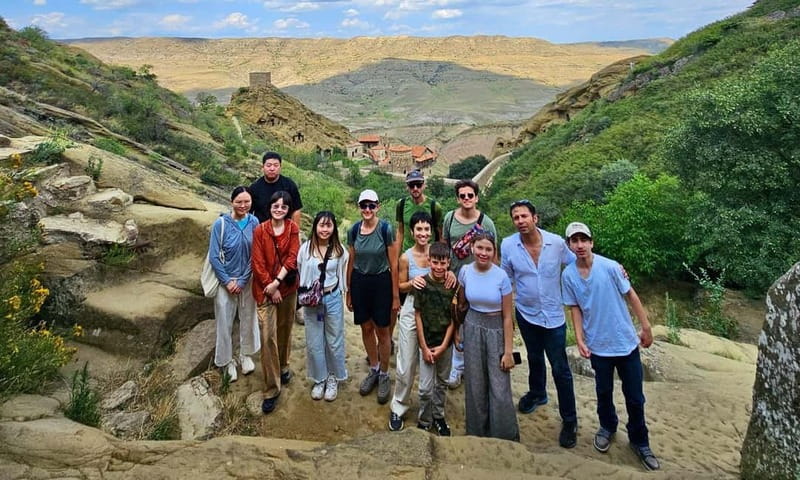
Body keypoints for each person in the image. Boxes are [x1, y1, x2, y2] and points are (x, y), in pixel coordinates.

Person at [561, 222, 660, 471]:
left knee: (635, 397)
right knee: (603, 392)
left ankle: (640, 441)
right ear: (569, 245)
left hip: (625, 343)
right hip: (598, 346)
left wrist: (646, 327)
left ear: (591, 242)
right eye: (574, 240)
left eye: (584, 239)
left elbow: (631, 294)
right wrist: (579, 338)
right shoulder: (568, 275)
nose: (580, 245)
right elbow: (575, 308)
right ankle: (607, 427)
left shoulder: (611, 267)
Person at [500, 199, 578, 448]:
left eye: (524, 216)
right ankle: (537, 393)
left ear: (535, 218)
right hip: (526, 313)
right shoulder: (508, 245)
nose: (520, 221)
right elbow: (505, 279)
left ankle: (570, 420)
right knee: (534, 358)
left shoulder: (556, 243)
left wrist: (611, 268)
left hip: (553, 317)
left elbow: (578, 262)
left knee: (560, 369)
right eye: (516, 217)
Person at [457, 232, 519, 441]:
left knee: (499, 385)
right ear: (472, 248)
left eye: (488, 249)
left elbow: (508, 317)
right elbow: (461, 304)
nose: (483, 253)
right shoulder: (465, 271)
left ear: (494, 252)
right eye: (480, 248)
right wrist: (458, 332)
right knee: (475, 383)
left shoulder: (501, 276)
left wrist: (508, 352)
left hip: (496, 329)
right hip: (472, 326)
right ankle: (477, 434)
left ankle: (504, 436)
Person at [443, 179, 498, 389]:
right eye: (462, 196)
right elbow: (445, 245)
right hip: (454, 278)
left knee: (475, 321)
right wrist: (446, 270)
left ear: (476, 198)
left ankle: (473, 365)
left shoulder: (486, 222)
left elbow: (493, 252)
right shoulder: (450, 218)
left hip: (479, 280)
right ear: (457, 198)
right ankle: (457, 366)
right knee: (456, 319)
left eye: (470, 195)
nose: (466, 199)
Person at [346, 189, 399, 405]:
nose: (367, 209)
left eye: (371, 205)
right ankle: (374, 368)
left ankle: (384, 374)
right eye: (363, 205)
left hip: (381, 282)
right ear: (359, 207)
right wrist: (349, 290)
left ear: (378, 207)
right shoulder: (353, 230)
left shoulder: (385, 229)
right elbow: (351, 260)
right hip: (360, 281)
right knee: (366, 327)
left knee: (382, 330)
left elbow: (393, 264)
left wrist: (395, 296)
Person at [251, 191, 300, 414]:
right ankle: (271, 389)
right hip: (265, 290)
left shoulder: (292, 229)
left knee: (284, 329)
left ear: (288, 210)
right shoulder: (260, 230)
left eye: (283, 207)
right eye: (275, 206)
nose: (279, 209)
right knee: (267, 335)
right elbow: (257, 262)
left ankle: (283, 366)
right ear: (270, 207)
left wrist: (277, 283)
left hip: (287, 288)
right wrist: (270, 287)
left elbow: (292, 257)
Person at [207, 186, 261, 383]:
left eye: (247, 202)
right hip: (225, 282)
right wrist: (228, 281)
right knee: (224, 322)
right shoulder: (220, 224)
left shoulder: (254, 222)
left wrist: (243, 279)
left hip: (247, 280)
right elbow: (214, 256)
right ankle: (226, 360)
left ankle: (245, 354)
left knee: (248, 318)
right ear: (232, 202)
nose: (243, 205)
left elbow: (256, 253)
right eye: (239, 202)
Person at [297, 211, 349, 401]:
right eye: (321, 225)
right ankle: (320, 378)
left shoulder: (339, 250)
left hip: (332, 297)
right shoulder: (305, 249)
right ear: (315, 227)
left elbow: (343, 272)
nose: (324, 229)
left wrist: (344, 293)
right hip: (313, 302)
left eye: (328, 225)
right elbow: (300, 269)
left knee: (334, 340)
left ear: (333, 228)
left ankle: (333, 377)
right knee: (314, 341)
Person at [388, 211, 433, 431]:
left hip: (433, 310)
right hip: (411, 306)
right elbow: (400, 285)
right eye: (419, 229)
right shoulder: (406, 257)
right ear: (412, 232)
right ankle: (398, 407)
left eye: (426, 229)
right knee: (405, 364)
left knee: (429, 365)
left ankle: (427, 413)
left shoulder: (436, 253)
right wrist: (412, 283)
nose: (423, 233)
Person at [413, 241, 457, 436]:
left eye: (443, 263)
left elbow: (453, 319)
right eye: (435, 262)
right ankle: (424, 419)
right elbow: (418, 315)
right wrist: (423, 346)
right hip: (427, 342)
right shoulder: (422, 284)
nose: (439, 267)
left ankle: (438, 416)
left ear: (449, 262)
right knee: (425, 388)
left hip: (445, 344)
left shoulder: (452, 286)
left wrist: (444, 345)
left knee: (442, 382)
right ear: (429, 260)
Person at [250, 151, 303, 226]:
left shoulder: (289, 185)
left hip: (284, 229)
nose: (272, 168)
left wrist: (295, 230)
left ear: (280, 167)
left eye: (276, 165)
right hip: (262, 229)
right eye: (268, 165)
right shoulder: (254, 188)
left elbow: (296, 210)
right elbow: (249, 213)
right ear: (263, 167)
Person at [395, 169, 443, 252]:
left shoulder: (434, 207)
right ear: (407, 187)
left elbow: (440, 234)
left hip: (428, 253)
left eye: (418, 185)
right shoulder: (401, 204)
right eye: (412, 185)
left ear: (424, 185)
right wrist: (397, 256)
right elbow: (400, 232)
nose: (415, 188)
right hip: (408, 252)